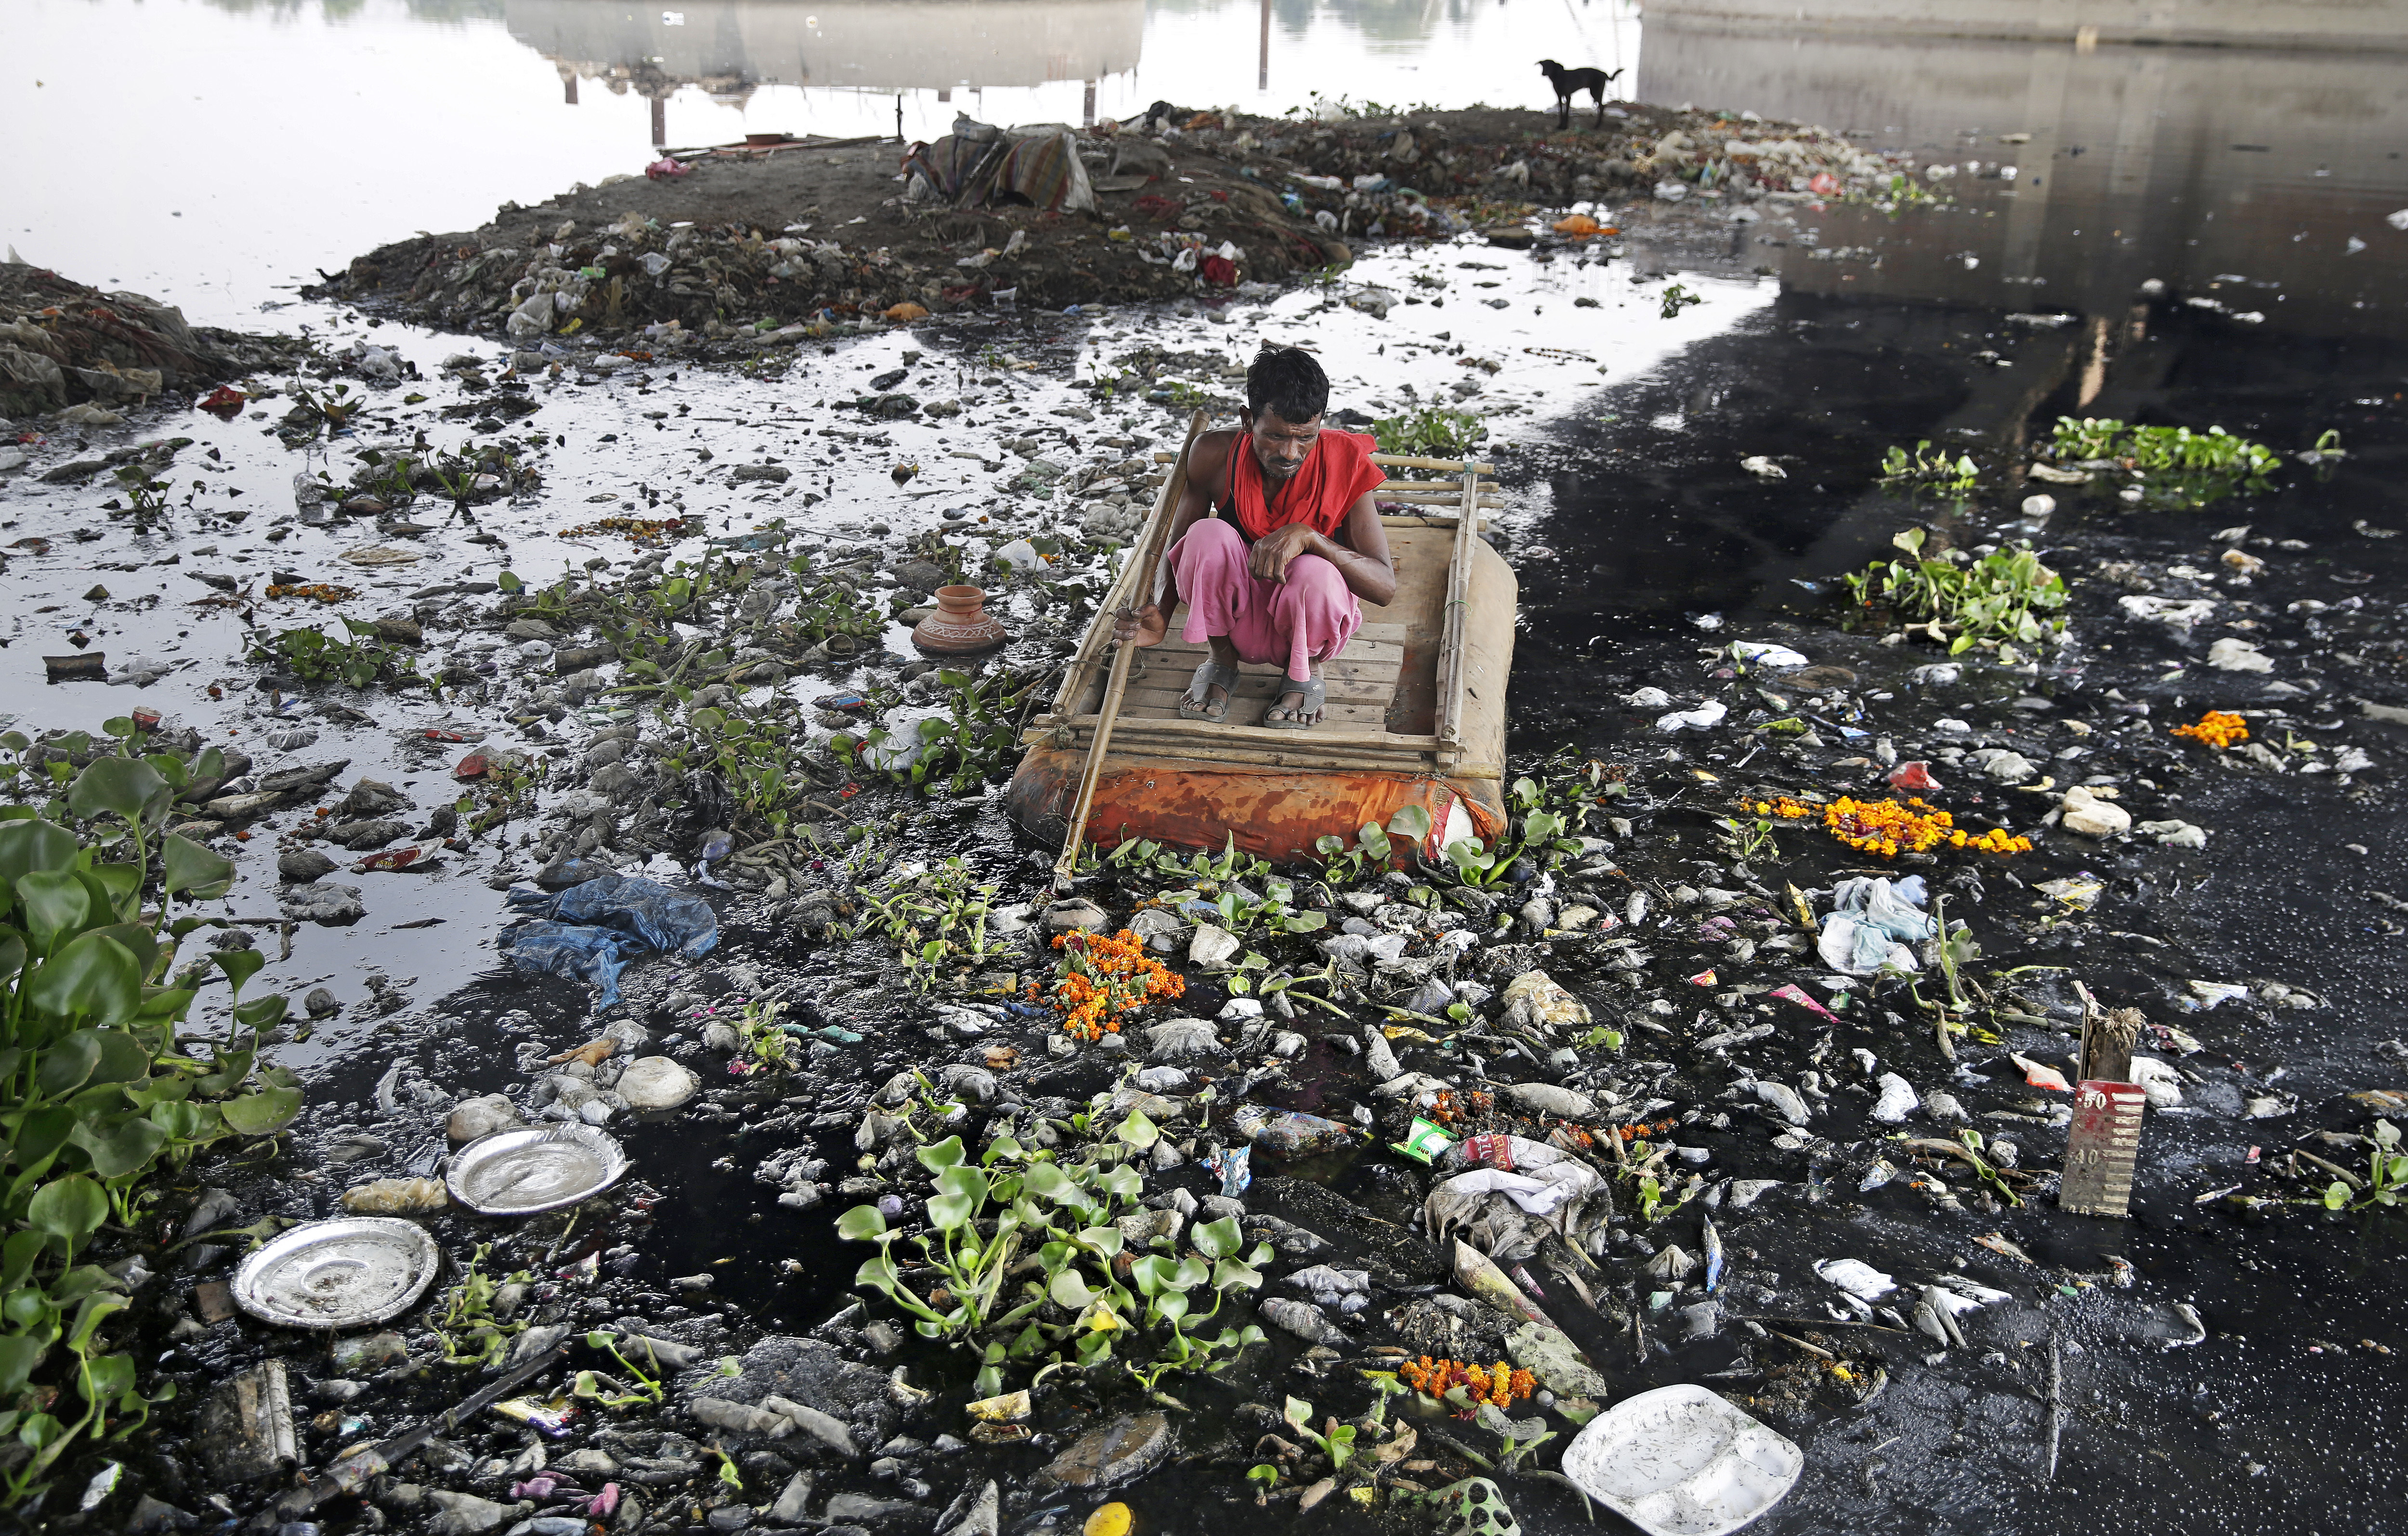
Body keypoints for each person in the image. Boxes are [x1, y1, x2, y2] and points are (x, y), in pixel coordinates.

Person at [1113, 344, 1394, 728]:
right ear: (1249, 421)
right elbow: (1176, 546)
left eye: (1305, 437)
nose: (1291, 453)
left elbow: (1384, 586)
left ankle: (1304, 671)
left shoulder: (1346, 461)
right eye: (1276, 436)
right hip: (1234, 616)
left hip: (1305, 614)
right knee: (1206, 535)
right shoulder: (1214, 453)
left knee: (1317, 571)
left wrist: (1311, 538)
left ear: (1320, 424)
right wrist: (1159, 614)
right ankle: (1221, 661)